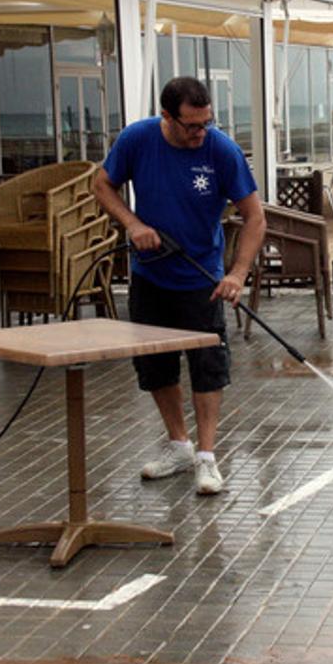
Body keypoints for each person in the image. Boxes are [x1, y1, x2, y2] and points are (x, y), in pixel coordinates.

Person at [93, 76, 266, 495]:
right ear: (167, 117)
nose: (200, 133)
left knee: (207, 367)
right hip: (151, 275)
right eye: (192, 125)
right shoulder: (137, 140)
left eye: (206, 122)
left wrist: (236, 274)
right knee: (156, 368)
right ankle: (179, 446)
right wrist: (132, 223)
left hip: (201, 279)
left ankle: (207, 458)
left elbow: (255, 217)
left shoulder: (220, 150)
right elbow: (101, 185)